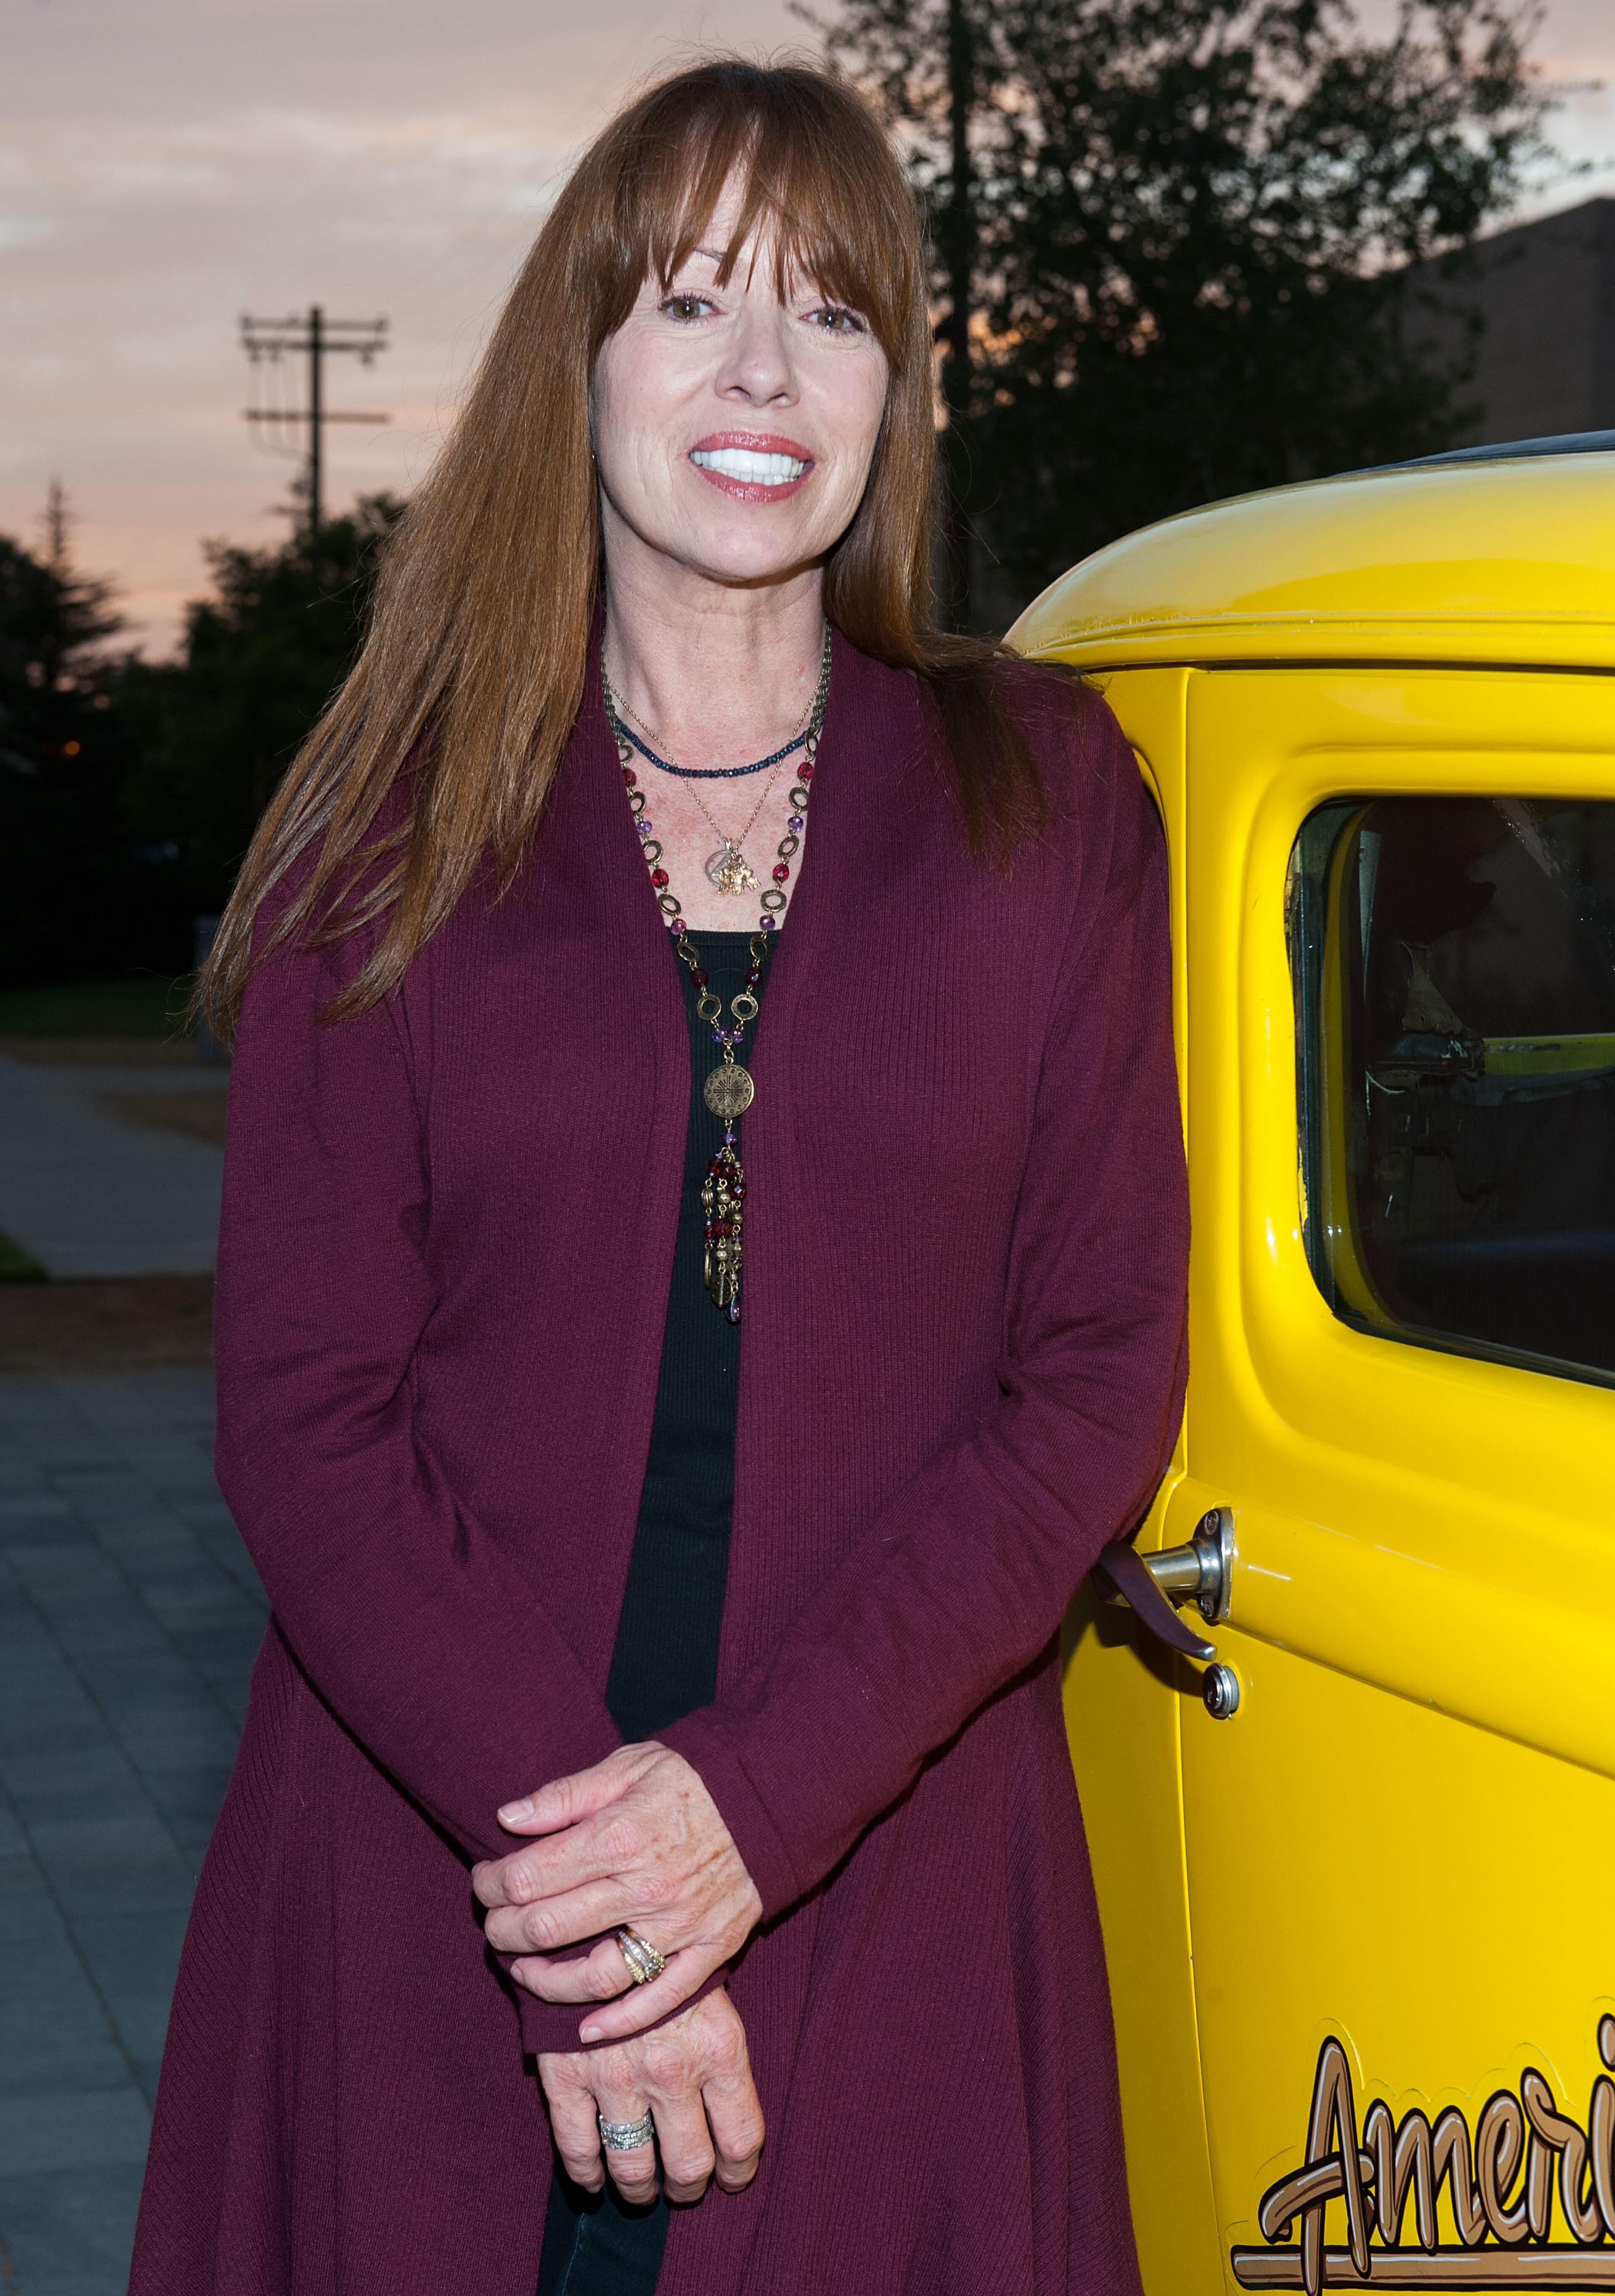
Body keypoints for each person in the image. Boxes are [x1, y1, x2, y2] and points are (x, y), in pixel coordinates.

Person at [130, 55, 1188, 2296]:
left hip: (885, 1857)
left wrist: (749, 1809)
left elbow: (1097, 1371)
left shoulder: (1052, 790)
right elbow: (307, 1413)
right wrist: (606, 1915)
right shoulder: (384, 833)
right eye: (693, 299)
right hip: (435, 1873)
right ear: (579, 361)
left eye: (833, 312)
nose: (760, 371)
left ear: (898, 393)